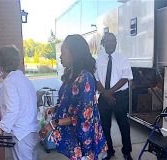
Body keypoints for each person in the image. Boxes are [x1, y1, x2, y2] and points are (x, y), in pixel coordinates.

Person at [39, 34, 107, 160]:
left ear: (74, 54)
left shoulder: (85, 77)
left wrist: (53, 124)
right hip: (73, 135)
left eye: (63, 53)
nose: (60, 56)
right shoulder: (71, 74)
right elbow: (69, 100)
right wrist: (55, 108)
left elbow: (84, 115)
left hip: (83, 139)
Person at [0, 45, 40, 160]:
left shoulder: (9, 82)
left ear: (0, 65)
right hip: (33, 130)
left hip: (22, 134)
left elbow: (13, 110)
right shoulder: (24, 79)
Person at [95, 32, 133, 160]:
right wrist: (106, 94)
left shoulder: (122, 58)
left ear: (116, 43)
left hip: (120, 97)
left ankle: (127, 152)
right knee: (104, 126)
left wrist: (109, 92)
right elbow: (96, 80)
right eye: (108, 40)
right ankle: (108, 150)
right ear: (103, 43)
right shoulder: (98, 59)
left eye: (114, 40)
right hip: (104, 98)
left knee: (124, 125)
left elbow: (125, 78)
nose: (111, 43)